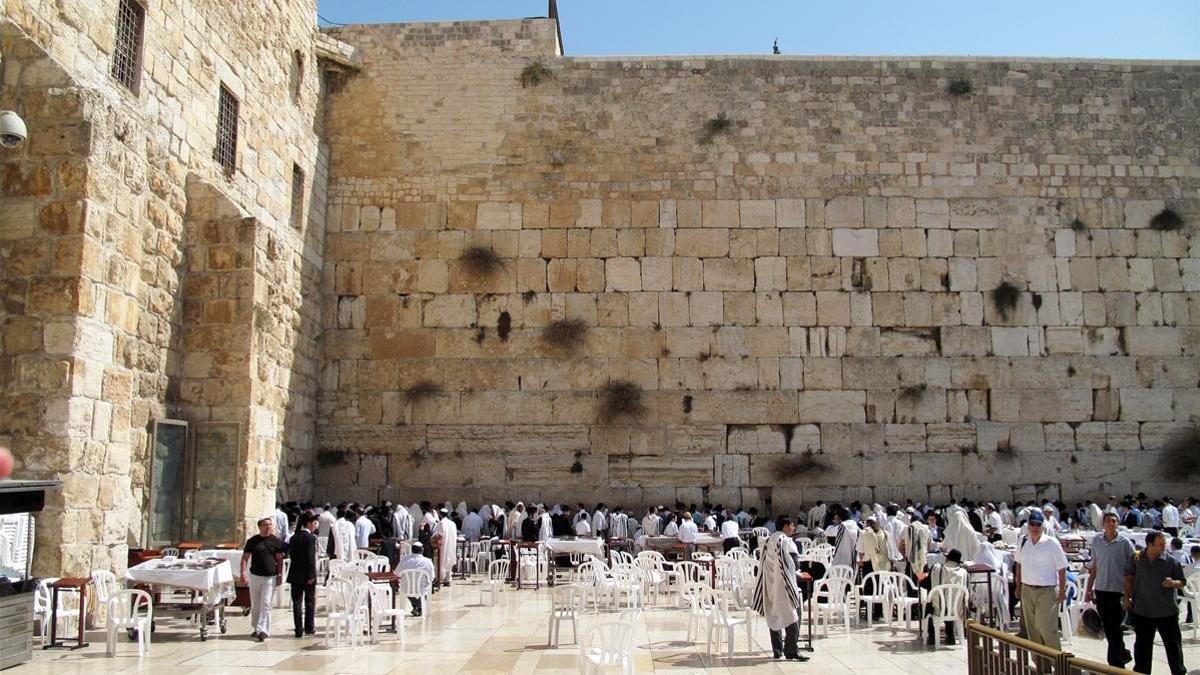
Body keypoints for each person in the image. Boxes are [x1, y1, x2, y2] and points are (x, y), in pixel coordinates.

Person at [1124, 531, 1188, 675]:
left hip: (1167, 611)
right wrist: (1126, 597)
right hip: (1143, 610)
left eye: (1164, 544)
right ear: (1149, 545)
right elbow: (1129, 577)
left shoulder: (1171, 561)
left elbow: (1182, 582)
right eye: (1160, 545)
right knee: (1142, 648)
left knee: (1173, 647)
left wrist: (1173, 583)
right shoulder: (1136, 558)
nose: (1164, 547)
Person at [752, 516, 809, 662]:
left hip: (770, 584)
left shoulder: (767, 541)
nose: (793, 527)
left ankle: (777, 650)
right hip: (785, 585)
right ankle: (791, 650)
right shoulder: (787, 542)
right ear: (785, 527)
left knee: (774, 614)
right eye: (791, 524)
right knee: (794, 615)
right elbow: (795, 565)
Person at [1084, 511, 1135, 667]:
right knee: (1108, 626)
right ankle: (1121, 655)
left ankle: (1115, 661)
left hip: (1118, 590)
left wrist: (1129, 593)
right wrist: (1089, 588)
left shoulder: (1125, 542)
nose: (1111, 524)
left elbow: (1132, 566)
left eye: (1114, 521)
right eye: (1108, 521)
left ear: (1117, 523)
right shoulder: (1097, 541)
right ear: (1103, 524)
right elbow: (1095, 566)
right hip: (1102, 589)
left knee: (1115, 625)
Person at [1014, 510, 1068, 649]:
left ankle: (1058, 663)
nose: (1035, 528)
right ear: (1028, 525)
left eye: (1038, 525)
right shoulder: (1023, 541)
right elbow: (1019, 564)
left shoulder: (1051, 543)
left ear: (1042, 526)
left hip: (1046, 590)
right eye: (1032, 524)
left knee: (1046, 627)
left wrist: (1062, 590)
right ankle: (1041, 664)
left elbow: (1062, 568)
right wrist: (1018, 585)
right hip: (1027, 588)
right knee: (1032, 630)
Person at [241, 516, 284, 641]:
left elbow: (279, 559)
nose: (268, 527)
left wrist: (280, 574)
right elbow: (245, 558)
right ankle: (256, 627)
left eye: (270, 525)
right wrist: (243, 573)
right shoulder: (252, 541)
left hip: (270, 577)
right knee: (256, 604)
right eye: (265, 525)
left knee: (266, 603)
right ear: (260, 526)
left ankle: (263, 629)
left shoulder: (275, 541)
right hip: (255, 576)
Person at [287, 513, 319, 638]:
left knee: (296, 602)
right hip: (307, 574)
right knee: (309, 601)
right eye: (314, 523)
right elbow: (310, 558)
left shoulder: (293, 537)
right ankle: (309, 627)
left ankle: (298, 629)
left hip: (295, 573)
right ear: (309, 524)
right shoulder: (310, 538)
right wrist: (312, 575)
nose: (315, 526)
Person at [395, 542, 435, 617]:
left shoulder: (404, 560)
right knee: (423, 589)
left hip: (406, 588)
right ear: (422, 550)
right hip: (421, 589)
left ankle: (417, 607)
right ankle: (419, 607)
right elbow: (431, 577)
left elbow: (397, 573)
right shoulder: (427, 561)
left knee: (409, 589)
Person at [899, 512, 931, 580]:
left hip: (910, 560)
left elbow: (900, 546)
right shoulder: (926, 529)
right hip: (923, 560)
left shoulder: (906, 529)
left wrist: (905, 556)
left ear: (911, 521)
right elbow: (929, 544)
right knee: (922, 582)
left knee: (911, 583)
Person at [432, 508, 457, 585]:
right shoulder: (452, 523)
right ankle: (448, 580)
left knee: (440, 561)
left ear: (440, 514)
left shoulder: (441, 523)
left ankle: (438, 579)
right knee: (449, 561)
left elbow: (440, 535)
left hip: (443, 546)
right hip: (451, 545)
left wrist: (433, 541)